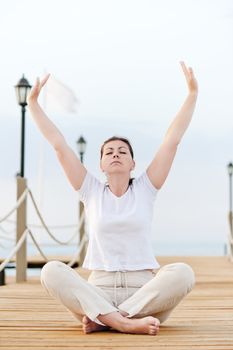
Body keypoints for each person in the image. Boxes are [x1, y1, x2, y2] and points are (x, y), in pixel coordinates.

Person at [27, 61, 198, 336]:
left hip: (144, 294)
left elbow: (171, 141)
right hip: (98, 290)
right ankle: (123, 323)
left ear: (133, 163)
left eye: (122, 151)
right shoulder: (90, 190)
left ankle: (109, 319)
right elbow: (59, 146)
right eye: (109, 152)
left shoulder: (145, 188)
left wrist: (191, 95)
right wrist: (33, 104)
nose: (115, 154)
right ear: (101, 165)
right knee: (51, 271)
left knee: (183, 273)